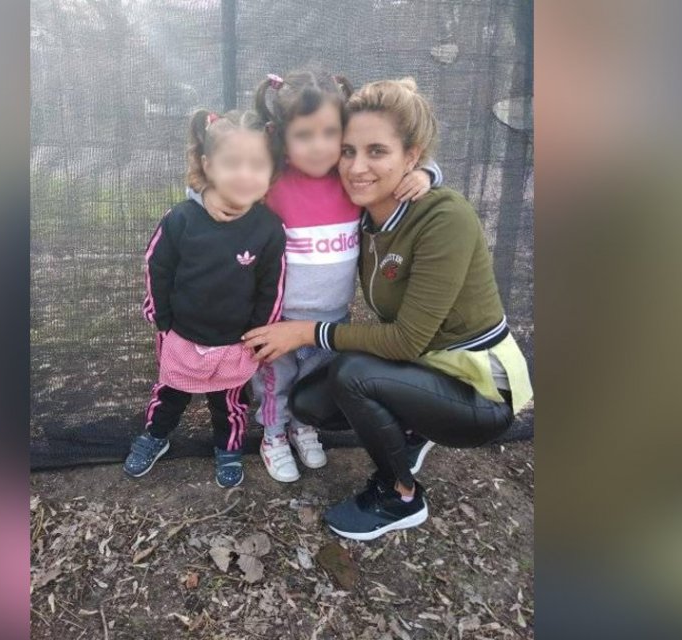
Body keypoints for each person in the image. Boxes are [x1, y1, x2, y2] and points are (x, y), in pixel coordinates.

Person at [242, 78, 533, 539]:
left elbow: (406, 340)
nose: (357, 167)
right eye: (348, 151)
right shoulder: (364, 214)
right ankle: (413, 431)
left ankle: (400, 496)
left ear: (411, 156)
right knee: (308, 402)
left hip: (480, 390)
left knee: (351, 374)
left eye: (377, 151)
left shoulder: (444, 217)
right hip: (425, 369)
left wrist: (304, 332)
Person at [192, 69, 443, 483]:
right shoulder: (271, 181)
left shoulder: (351, 180)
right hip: (278, 319)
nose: (319, 146)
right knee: (276, 383)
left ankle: (302, 427)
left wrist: (427, 175)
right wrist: (206, 194)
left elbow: (410, 159)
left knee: (313, 381)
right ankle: (273, 435)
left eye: (330, 133)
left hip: (332, 318)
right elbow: (217, 180)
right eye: (304, 135)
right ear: (280, 135)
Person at [124, 108, 286, 488]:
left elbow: (272, 285)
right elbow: (157, 265)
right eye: (232, 163)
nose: (244, 174)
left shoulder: (268, 228)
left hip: (236, 341)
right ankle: (156, 436)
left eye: (257, 165)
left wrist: (260, 333)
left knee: (230, 403)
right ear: (208, 165)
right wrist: (161, 317)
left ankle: (228, 447)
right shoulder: (181, 219)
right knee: (170, 392)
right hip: (182, 334)